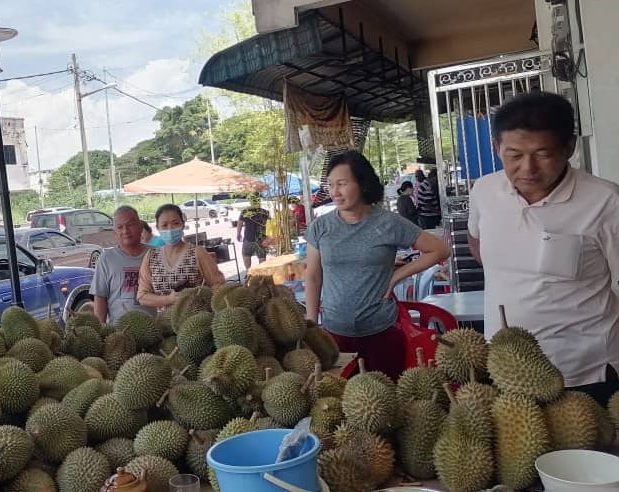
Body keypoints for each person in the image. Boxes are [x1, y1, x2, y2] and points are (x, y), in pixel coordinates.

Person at [468, 91, 619, 406]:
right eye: (513, 155)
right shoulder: (484, 191)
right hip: (506, 370)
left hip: (583, 374)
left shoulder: (605, 202)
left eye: (542, 154)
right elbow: (477, 242)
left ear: (569, 147)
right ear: (496, 147)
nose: (528, 169)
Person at [305, 151, 451, 380]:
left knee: (387, 402)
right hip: (334, 336)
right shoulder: (320, 227)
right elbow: (313, 277)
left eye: (342, 183)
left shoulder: (387, 223)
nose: (335, 192)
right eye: (331, 185)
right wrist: (311, 326)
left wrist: (397, 276)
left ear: (362, 184)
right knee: (340, 406)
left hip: (382, 332)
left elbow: (440, 249)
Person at [137, 204, 226, 309]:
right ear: (157, 228)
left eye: (175, 223)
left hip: (197, 320)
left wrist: (205, 299)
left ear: (183, 224)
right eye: (164, 225)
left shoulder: (197, 252)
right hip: (164, 323)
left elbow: (218, 284)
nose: (170, 229)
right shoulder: (151, 256)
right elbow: (142, 296)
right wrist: (169, 299)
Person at [90, 206, 155, 323]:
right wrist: (100, 328)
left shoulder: (155, 254)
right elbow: (100, 297)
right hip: (119, 333)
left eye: (130, 225)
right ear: (115, 232)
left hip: (154, 329)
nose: (125, 231)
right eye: (120, 227)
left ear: (141, 227)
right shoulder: (106, 259)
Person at [237, 194, 271, 270]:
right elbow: (270, 226)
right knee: (261, 256)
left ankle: (248, 272)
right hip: (261, 239)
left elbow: (240, 223)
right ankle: (262, 274)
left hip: (249, 238)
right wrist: (268, 238)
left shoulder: (245, 211)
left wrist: (238, 234)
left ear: (251, 202)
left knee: (246, 255)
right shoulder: (265, 212)